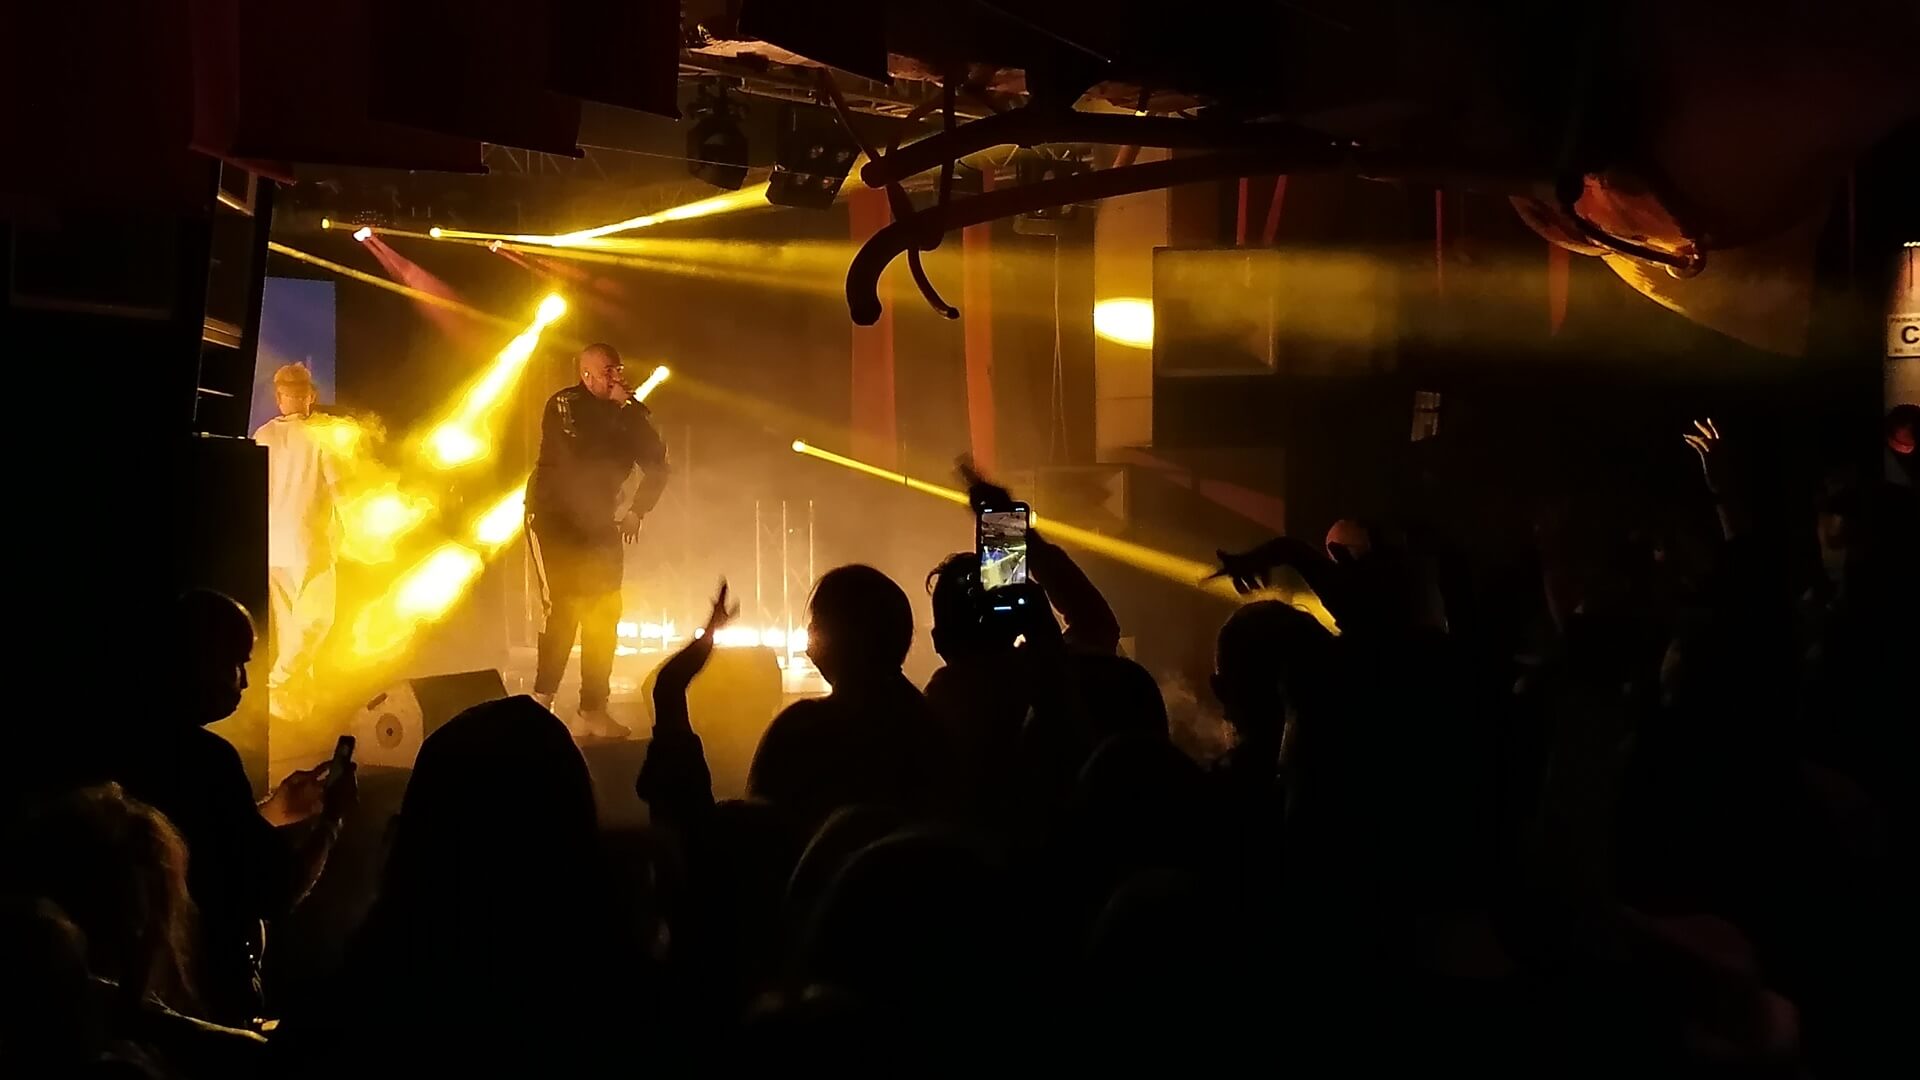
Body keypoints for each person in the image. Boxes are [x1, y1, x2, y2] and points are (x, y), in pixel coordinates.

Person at [114, 590, 356, 1027]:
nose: (244, 681)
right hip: (205, 1002)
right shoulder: (206, 759)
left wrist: (272, 812)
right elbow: (273, 891)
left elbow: (197, 848)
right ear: (197, 660)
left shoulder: (130, 743)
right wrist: (331, 821)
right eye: (235, 663)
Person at [525, 343, 672, 740]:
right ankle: (541, 703)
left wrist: (637, 510)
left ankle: (592, 708)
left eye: (619, 369)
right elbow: (583, 452)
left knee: (605, 610)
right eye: (609, 371)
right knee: (564, 607)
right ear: (586, 374)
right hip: (554, 519)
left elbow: (658, 463)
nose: (617, 378)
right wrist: (621, 411)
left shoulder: (625, 414)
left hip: (598, 522)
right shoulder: (565, 405)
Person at [748, 565, 945, 829]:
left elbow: (760, 830)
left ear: (839, 636)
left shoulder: (800, 731)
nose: (809, 633)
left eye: (816, 622)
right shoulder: (930, 725)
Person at [253, 362, 341, 723]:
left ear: (279, 397)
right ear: (311, 396)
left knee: (289, 628)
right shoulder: (322, 434)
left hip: (274, 545)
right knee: (317, 620)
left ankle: (294, 707)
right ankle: (278, 684)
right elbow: (340, 489)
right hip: (310, 545)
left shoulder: (262, 435)